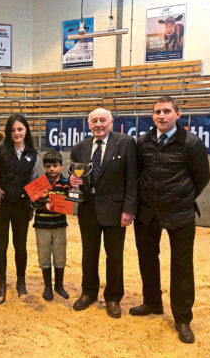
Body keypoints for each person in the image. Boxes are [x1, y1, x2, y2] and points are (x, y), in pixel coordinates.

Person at [130, 96, 210, 344]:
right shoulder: (142, 142)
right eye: (157, 112)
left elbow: (202, 178)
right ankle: (152, 302)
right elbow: (137, 174)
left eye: (166, 111)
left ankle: (183, 318)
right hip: (147, 213)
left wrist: (181, 198)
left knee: (182, 267)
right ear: (152, 115)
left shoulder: (192, 143)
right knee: (147, 259)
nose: (161, 116)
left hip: (180, 213)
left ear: (178, 113)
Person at [70, 107, 137, 318]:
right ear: (88, 125)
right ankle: (88, 292)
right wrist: (72, 181)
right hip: (88, 211)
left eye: (102, 120)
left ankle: (113, 297)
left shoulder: (125, 143)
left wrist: (129, 209)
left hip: (116, 212)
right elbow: (74, 174)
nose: (98, 124)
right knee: (89, 255)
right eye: (94, 121)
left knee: (114, 256)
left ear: (111, 123)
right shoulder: (80, 147)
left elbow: (132, 179)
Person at [0, 114, 38, 304]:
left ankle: (21, 281)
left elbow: (34, 180)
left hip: (21, 206)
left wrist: (36, 202)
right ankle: (1, 283)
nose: (16, 133)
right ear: (8, 133)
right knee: (1, 246)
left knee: (20, 246)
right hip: (1, 206)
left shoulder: (33, 155)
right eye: (12, 130)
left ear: (26, 130)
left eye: (20, 129)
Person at [31, 150, 71, 301]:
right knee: (44, 256)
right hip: (42, 225)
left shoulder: (66, 183)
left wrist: (64, 199)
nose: (51, 169)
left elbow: (71, 200)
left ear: (61, 166)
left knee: (60, 256)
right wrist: (42, 199)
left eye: (55, 165)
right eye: (48, 166)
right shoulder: (39, 183)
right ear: (44, 167)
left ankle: (59, 286)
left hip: (60, 225)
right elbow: (32, 204)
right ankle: (47, 287)